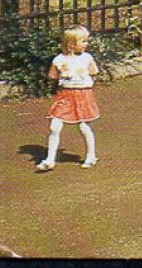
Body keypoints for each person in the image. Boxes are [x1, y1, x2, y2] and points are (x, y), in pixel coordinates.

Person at [37, 26, 99, 170]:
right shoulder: (58, 59)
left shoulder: (87, 58)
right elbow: (52, 75)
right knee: (55, 126)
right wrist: (64, 75)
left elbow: (94, 72)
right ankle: (49, 159)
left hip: (82, 95)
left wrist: (85, 83)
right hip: (65, 96)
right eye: (83, 41)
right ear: (71, 44)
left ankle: (91, 155)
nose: (86, 44)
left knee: (83, 126)